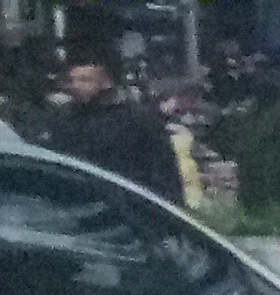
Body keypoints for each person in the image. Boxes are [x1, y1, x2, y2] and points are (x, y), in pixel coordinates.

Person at [49, 55, 188, 202]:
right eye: (71, 81)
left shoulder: (135, 119)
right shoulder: (64, 120)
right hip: (80, 200)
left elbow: (163, 167)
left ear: (106, 83)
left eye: (85, 80)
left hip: (130, 200)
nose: (75, 86)